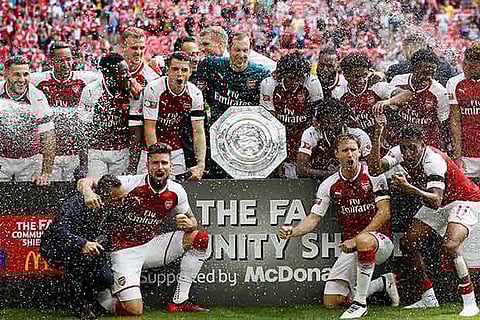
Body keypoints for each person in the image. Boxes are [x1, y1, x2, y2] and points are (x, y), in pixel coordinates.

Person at [77, 143, 209, 316]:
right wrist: (87, 191)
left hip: (152, 246)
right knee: (134, 310)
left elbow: (193, 221)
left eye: (164, 163)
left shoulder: (177, 191)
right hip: (124, 251)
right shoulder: (130, 183)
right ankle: (104, 299)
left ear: (170, 166)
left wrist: (189, 224)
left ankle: (180, 301)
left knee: (200, 238)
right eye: (155, 163)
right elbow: (85, 181)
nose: (160, 167)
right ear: (147, 166)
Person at [368, 121, 480, 317]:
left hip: (464, 200)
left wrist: (408, 188)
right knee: (407, 242)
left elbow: (435, 201)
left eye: (413, 148)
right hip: (438, 202)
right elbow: (375, 169)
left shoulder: (433, 160)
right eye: (404, 148)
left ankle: (469, 301)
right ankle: (429, 297)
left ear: (422, 144)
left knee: (451, 245)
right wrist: (377, 135)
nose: (408, 153)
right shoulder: (398, 152)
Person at [281, 134, 399, 319]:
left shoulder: (374, 176)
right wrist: (293, 231)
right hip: (352, 248)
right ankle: (382, 283)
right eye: (345, 150)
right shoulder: (329, 184)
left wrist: (355, 239)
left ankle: (360, 304)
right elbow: (313, 218)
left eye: (353, 150)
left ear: (360, 152)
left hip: (380, 243)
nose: (350, 154)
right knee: (332, 300)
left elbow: (384, 212)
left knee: (363, 239)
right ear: (337, 154)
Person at [40, 174, 124, 319]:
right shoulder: (76, 203)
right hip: (59, 247)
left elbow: (84, 176)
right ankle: (80, 304)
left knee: (106, 278)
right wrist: (82, 243)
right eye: (117, 199)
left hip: (88, 246)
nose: (121, 202)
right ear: (104, 196)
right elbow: (59, 231)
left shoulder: (109, 204)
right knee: (79, 264)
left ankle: (90, 299)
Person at [196, 32, 271, 178]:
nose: (241, 54)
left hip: (245, 137)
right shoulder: (212, 65)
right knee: (216, 176)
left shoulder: (260, 73)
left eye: (245, 50)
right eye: (237, 50)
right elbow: (197, 86)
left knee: (241, 176)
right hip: (217, 134)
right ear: (229, 49)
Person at [30, 41, 98, 181]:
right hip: (47, 154)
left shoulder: (84, 79)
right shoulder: (38, 80)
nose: (66, 64)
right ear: (51, 61)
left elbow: (109, 76)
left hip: (74, 153)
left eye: (69, 59)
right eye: (61, 60)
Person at [143, 52, 206, 181]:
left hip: (175, 149)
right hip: (150, 149)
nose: (180, 74)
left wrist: (200, 164)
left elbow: (198, 132)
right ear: (168, 70)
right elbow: (150, 127)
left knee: (173, 192)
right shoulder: (154, 89)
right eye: (175, 69)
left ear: (190, 72)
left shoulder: (195, 94)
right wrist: (156, 160)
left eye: (184, 70)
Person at [260, 52, 323, 178]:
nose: (294, 81)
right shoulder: (269, 84)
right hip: (282, 131)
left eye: (298, 77)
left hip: (304, 131)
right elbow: (270, 122)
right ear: (281, 75)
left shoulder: (312, 82)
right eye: (290, 78)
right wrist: (278, 157)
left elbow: (317, 118)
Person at [0, 55, 56, 185]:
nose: (22, 79)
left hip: (30, 161)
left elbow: (48, 136)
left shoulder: (37, 97)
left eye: (26, 74)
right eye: (17, 75)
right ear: (6, 74)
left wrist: (46, 173)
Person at [79, 53, 132, 177]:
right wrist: (84, 160)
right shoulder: (91, 91)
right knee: (97, 189)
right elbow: (84, 128)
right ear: (108, 74)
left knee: (119, 191)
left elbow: (136, 129)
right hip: (97, 151)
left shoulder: (130, 90)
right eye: (123, 72)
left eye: (127, 71)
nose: (128, 75)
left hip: (122, 150)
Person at [339, 54, 412, 141]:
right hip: (355, 144)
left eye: (364, 75)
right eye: (357, 76)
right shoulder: (340, 93)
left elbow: (407, 94)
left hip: (381, 140)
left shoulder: (377, 87)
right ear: (346, 75)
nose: (361, 80)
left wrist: (387, 102)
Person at [118, 26, 160, 175]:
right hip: (116, 139)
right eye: (133, 48)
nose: (138, 52)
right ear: (123, 47)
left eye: (142, 48)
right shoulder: (111, 70)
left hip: (139, 139)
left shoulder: (152, 76)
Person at [389, 49, 450, 151]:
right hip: (401, 143)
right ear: (413, 68)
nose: (428, 77)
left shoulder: (440, 92)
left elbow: (442, 123)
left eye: (432, 73)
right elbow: (391, 112)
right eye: (424, 72)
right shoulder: (398, 82)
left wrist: (441, 150)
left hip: (428, 145)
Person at [297, 98, 371, 180]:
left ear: (343, 120)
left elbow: (372, 167)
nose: (331, 126)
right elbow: (301, 170)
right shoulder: (311, 133)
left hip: (353, 179)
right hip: (320, 181)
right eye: (326, 121)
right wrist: (333, 175)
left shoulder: (358, 135)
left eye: (335, 121)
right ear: (319, 121)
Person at [447, 42, 480, 182]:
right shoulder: (454, 83)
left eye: (472, 66)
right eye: (465, 63)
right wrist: (457, 156)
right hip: (466, 153)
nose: (466, 68)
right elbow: (455, 122)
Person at [386, 32, 456, 87]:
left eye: (403, 50)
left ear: (409, 50)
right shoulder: (444, 66)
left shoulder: (396, 69)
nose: (403, 54)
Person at [173, 36, 202, 169]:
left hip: (197, 137)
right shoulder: (167, 76)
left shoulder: (206, 70)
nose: (195, 59)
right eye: (191, 55)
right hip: (177, 141)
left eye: (197, 54)